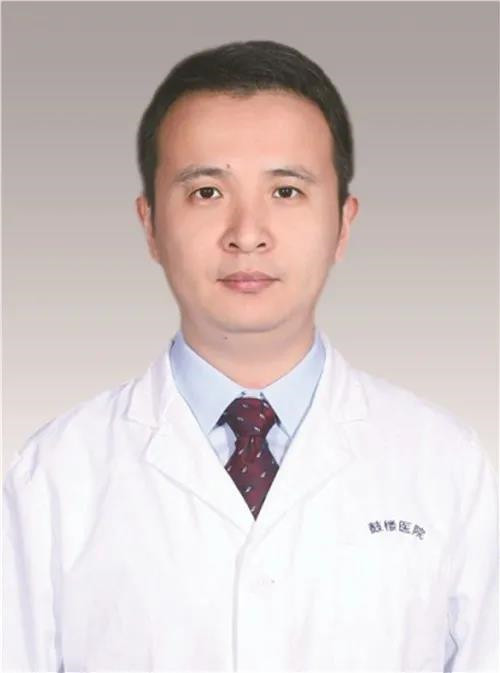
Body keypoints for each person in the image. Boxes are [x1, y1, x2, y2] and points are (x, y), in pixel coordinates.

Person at [3, 40, 497, 672]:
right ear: (150, 225)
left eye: (286, 191)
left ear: (343, 224)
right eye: (207, 192)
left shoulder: (445, 465)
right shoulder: (53, 478)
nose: (247, 234)